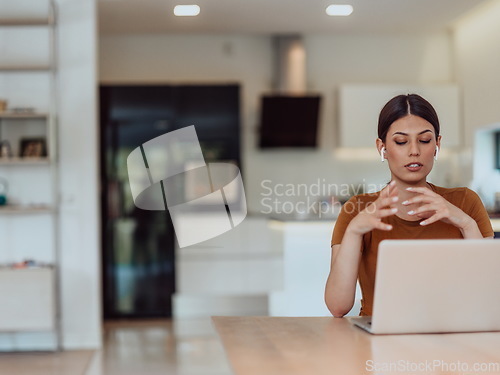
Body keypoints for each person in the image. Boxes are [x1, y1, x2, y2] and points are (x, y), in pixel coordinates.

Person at [324, 94, 494, 318]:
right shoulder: (357, 209)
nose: (414, 150)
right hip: (379, 339)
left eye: (424, 140)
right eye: (401, 141)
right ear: (382, 147)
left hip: (454, 336)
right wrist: (355, 231)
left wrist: (465, 223)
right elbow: (338, 306)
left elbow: (490, 297)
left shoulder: (465, 201)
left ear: (437, 145)